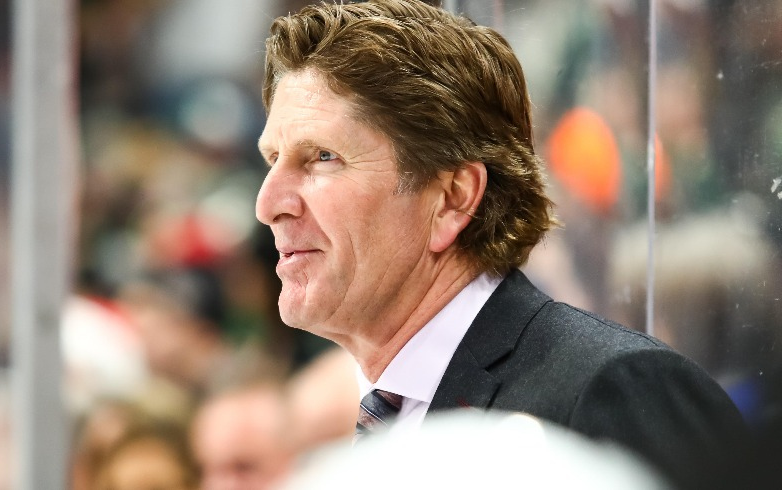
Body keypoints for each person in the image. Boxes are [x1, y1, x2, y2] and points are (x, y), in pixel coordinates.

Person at [254, 1, 747, 489]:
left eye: (322, 157)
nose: (268, 202)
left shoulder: (615, 392)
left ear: (453, 198)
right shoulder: (348, 437)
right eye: (272, 158)